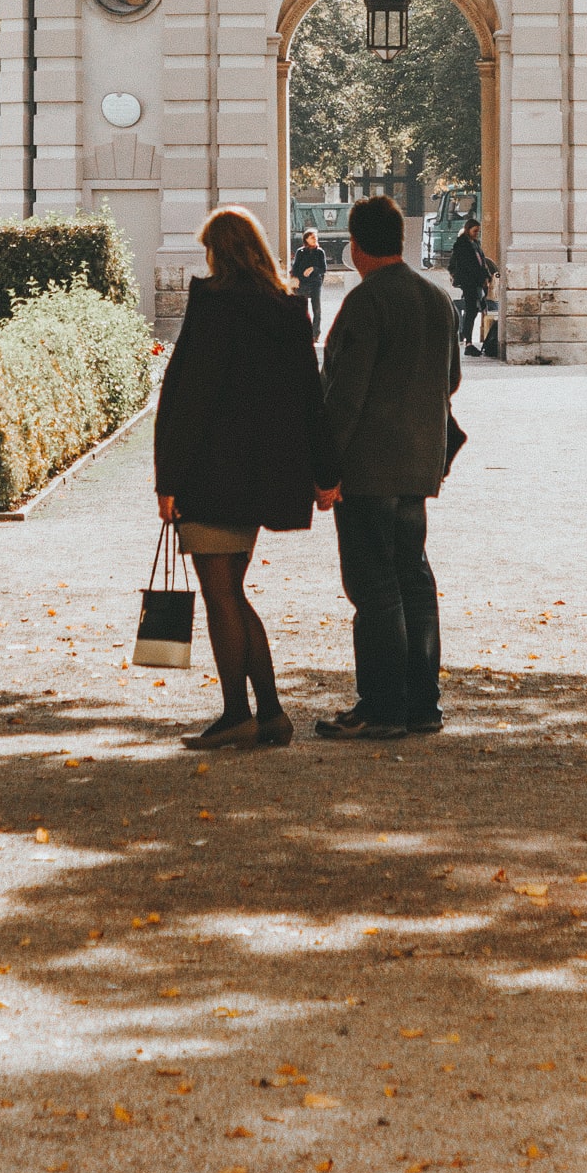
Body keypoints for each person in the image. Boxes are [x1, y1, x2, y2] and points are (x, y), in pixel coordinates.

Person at [154, 204, 340, 755]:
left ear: (220, 251)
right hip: (263, 477)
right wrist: (323, 474)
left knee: (223, 596)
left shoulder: (213, 306)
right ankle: (270, 714)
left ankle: (241, 713)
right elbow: (311, 398)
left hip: (212, 474)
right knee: (232, 592)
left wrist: (168, 479)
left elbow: (187, 397)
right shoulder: (288, 310)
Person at [313, 193, 461, 743]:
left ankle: (382, 705)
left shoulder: (365, 303)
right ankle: (422, 702)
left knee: (373, 587)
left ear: (354, 247)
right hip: (419, 463)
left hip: (368, 469)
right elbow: (450, 380)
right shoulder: (435, 297)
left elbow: (343, 396)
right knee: (414, 579)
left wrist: (325, 470)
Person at [447, 215, 497, 361]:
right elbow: (469, 266)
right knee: (471, 311)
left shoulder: (475, 244)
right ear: (468, 230)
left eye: (478, 232)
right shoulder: (462, 245)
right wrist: (482, 277)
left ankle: (467, 340)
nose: (477, 234)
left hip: (476, 282)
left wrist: (486, 276)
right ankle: (467, 342)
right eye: (475, 231)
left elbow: (481, 263)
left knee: (474, 310)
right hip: (469, 282)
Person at [290, 222, 327, 337]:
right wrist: (294, 279)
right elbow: (295, 268)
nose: (315, 239)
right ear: (306, 239)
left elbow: (323, 269)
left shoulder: (320, 252)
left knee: (316, 309)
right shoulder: (300, 252)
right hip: (302, 283)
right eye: (312, 237)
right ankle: (303, 332)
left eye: (315, 237)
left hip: (315, 283)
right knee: (302, 309)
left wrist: (313, 269)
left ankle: (315, 333)